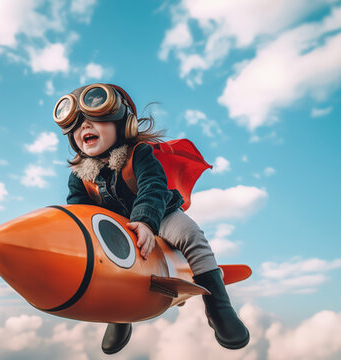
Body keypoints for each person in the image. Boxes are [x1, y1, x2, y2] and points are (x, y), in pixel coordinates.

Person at [52, 83, 250, 354]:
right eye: (77, 126)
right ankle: (118, 316)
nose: (84, 128)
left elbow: (153, 187)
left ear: (124, 125)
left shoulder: (139, 154)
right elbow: (80, 212)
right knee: (107, 262)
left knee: (191, 234)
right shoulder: (80, 175)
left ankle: (219, 308)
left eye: (94, 120)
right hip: (117, 227)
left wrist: (146, 221)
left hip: (159, 212)